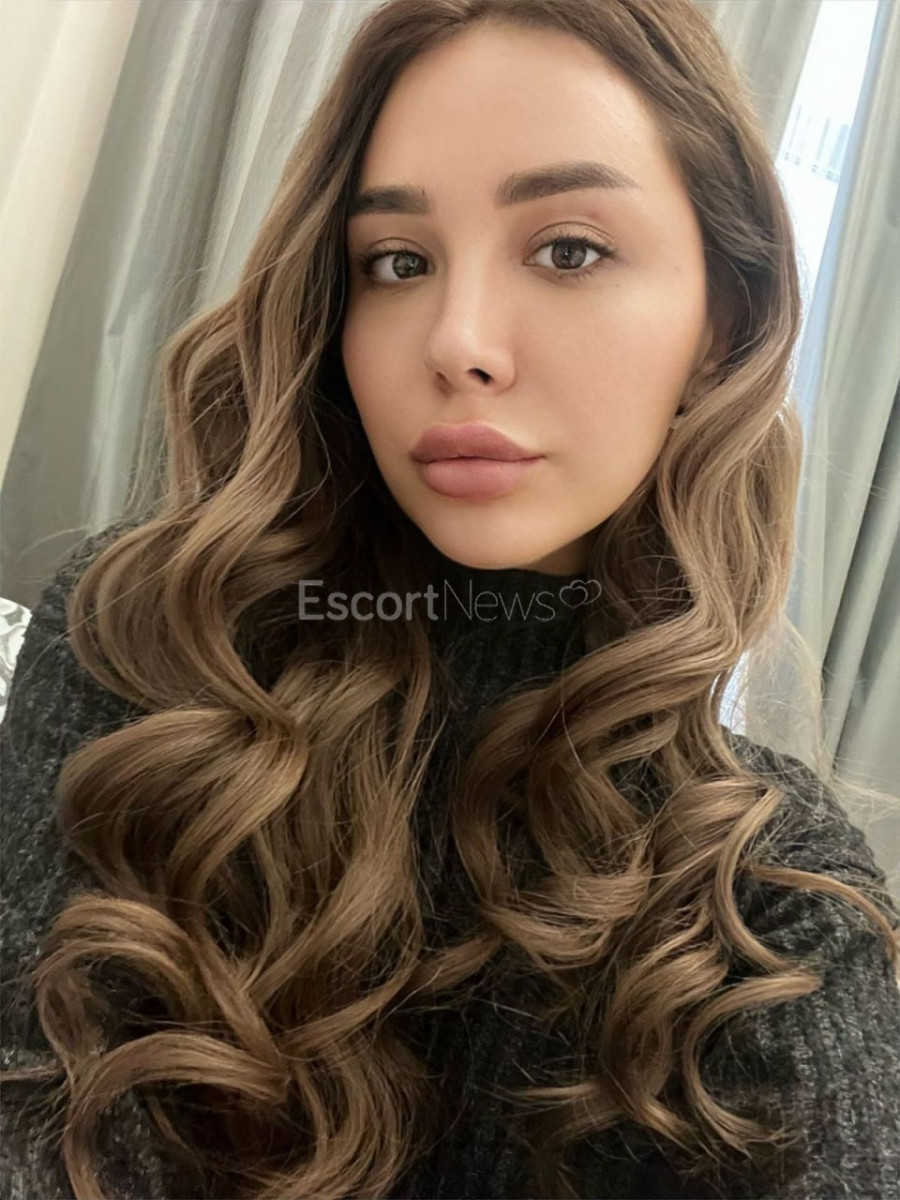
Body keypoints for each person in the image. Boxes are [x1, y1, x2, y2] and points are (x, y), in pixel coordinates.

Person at [2, 1, 898, 1198]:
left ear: (721, 320)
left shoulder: (772, 911)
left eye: (568, 250)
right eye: (398, 262)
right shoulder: (145, 643)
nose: (457, 341)